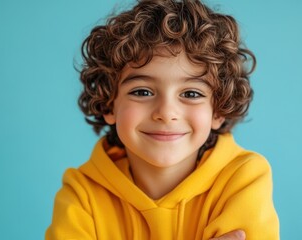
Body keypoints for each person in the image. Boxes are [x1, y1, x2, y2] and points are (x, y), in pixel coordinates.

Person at [46, 0, 279, 239]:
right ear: (109, 103)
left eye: (191, 94)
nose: (166, 112)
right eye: (142, 92)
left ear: (218, 111)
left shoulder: (243, 179)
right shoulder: (81, 194)